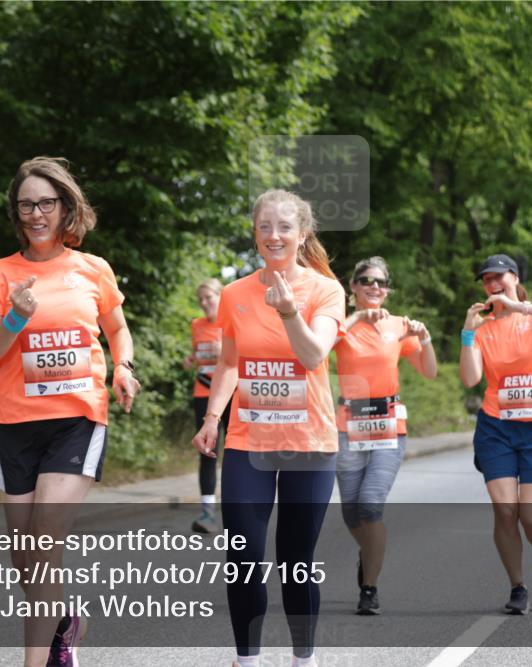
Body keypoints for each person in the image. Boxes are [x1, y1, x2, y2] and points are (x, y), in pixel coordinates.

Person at [0, 157, 141, 667]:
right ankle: (64, 620)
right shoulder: (0, 274)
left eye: (46, 202)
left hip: (77, 418)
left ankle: (42, 659)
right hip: (12, 424)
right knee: (25, 556)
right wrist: (16, 316)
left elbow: (116, 329)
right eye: (26, 204)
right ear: (16, 211)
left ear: (65, 207)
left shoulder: (92, 269)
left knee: (44, 543)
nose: (36, 213)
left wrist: (123, 367)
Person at [192, 189, 345, 667]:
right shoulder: (236, 294)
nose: (274, 235)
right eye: (265, 227)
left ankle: (304, 659)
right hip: (248, 443)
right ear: (255, 234)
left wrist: (288, 311)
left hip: (309, 444)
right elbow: (230, 363)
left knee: (295, 563)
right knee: (243, 561)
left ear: (302, 235)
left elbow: (314, 354)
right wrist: (213, 419)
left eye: (284, 227)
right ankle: (248, 660)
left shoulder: (326, 290)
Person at [460, 253, 532, 615]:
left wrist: (521, 308)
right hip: (497, 427)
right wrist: (467, 330)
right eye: (486, 279)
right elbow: (470, 378)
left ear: (514, 278)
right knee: (505, 509)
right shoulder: (482, 330)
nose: (493, 284)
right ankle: (517, 586)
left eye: (499, 277)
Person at [334, 257, 437, 615]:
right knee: (351, 514)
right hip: (348, 426)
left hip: (388, 426)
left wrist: (425, 339)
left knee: (370, 504)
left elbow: (429, 371)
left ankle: (370, 587)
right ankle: (370, 556)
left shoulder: (399, 325)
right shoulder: (343, 323)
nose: (374, 286)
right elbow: (319, 348)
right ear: (353, 287)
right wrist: (357, 318)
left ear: (388, 288)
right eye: (365, 280)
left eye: (380, 281)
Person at [184, 279, 230, 533]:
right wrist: (191, 359)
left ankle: (237, 506)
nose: (204, 303)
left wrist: (224, 349)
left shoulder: (232, 322)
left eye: (209, 298)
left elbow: (244, 355)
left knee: (234, 452)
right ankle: (208, 514)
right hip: (204, 393)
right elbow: (198, 355)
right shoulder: (196, 326)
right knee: (207, 451)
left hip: (232, 394)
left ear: (221, 297)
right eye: (200, 299)